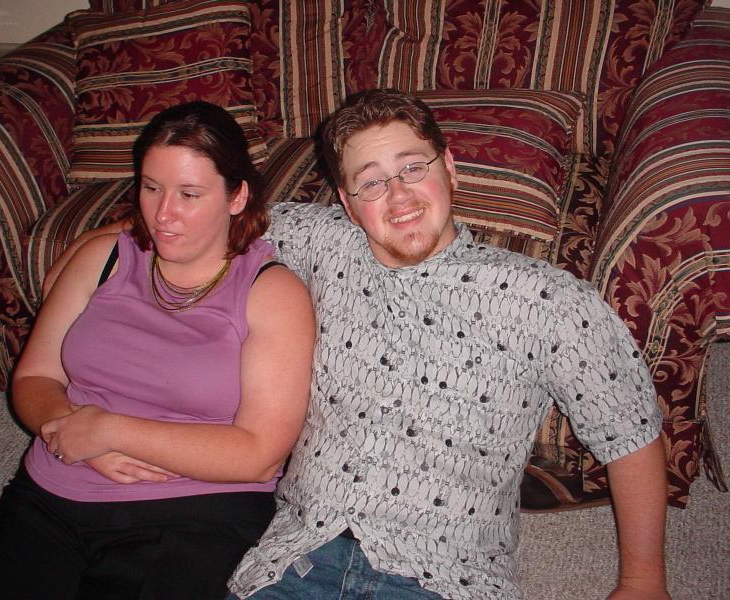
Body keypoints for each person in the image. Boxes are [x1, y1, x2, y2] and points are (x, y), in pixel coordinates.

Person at [50, 89, 670, 600]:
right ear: (347, 202)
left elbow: (631, 429)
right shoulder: (319, 242)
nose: (398, 197)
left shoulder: (547, 299)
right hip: (295, 560)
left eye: (413, 168)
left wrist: (643, 582)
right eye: (370, 183)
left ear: (450, 167)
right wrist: (99, 247)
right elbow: (200, 215)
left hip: (445, 578)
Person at [0, 101, 315, 600]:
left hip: (195, 509)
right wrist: (67, 431)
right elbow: (34, 377)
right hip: (56, 486)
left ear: (237, 196)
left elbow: (259, 456)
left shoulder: (272, 292)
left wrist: (108, 430)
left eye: (189, 194)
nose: (163, 214)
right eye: (151, 188)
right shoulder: (102, 257)